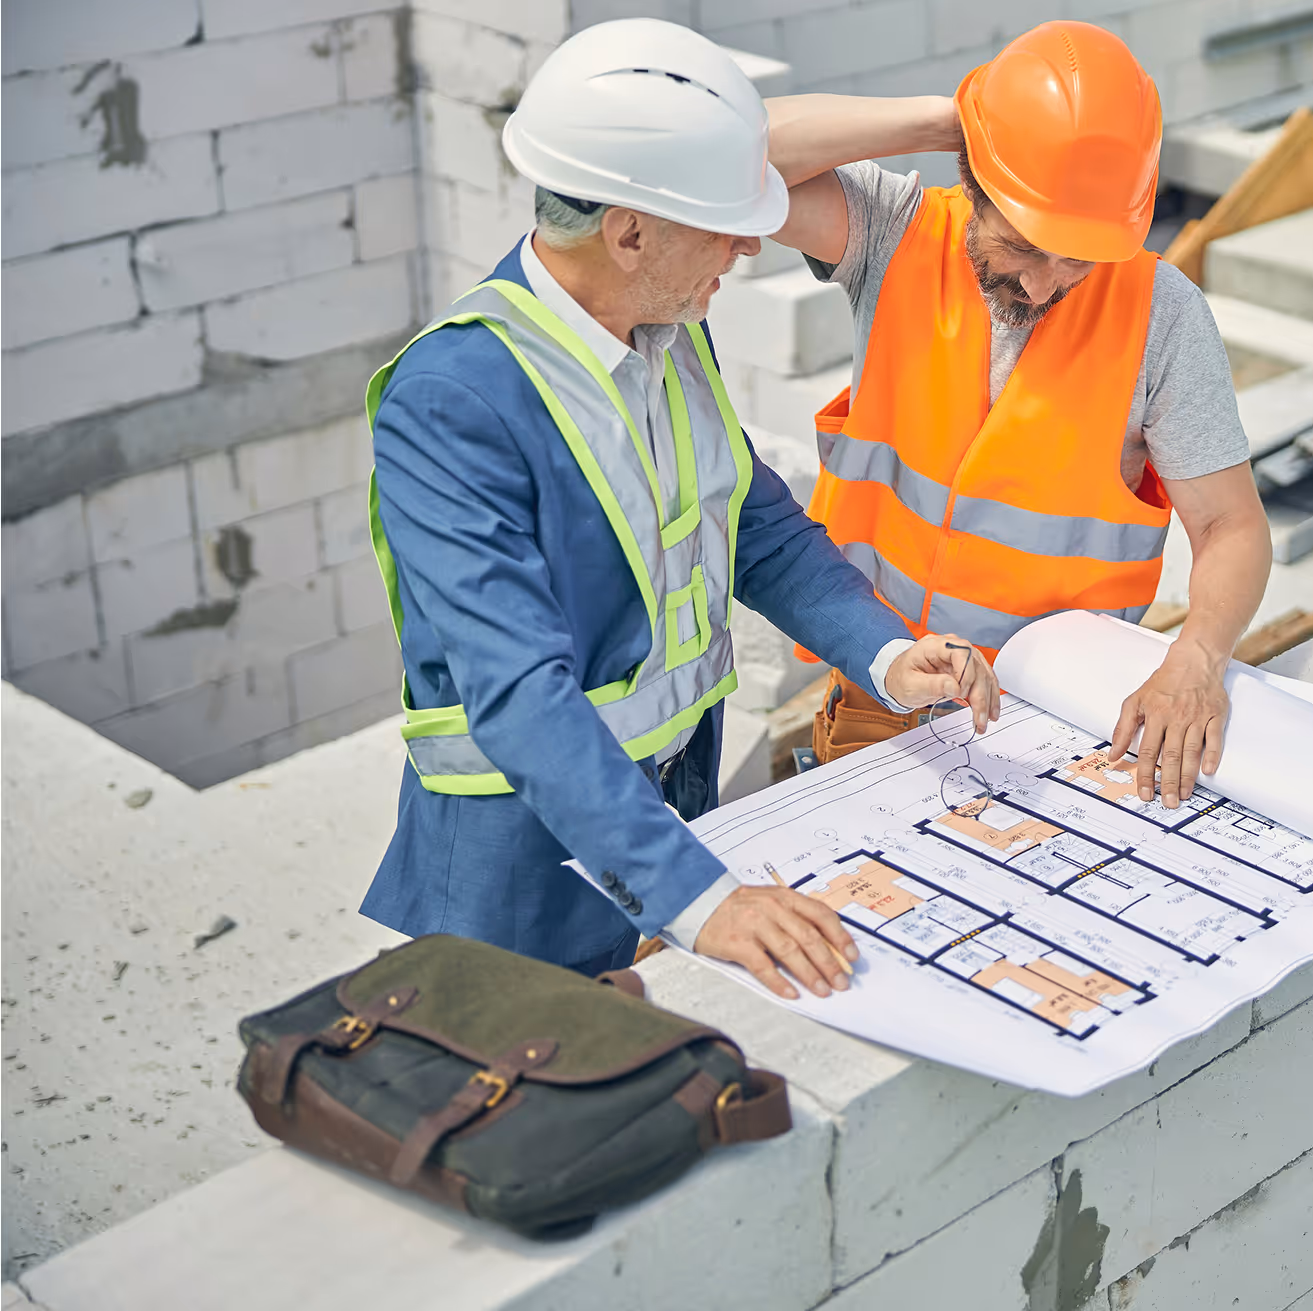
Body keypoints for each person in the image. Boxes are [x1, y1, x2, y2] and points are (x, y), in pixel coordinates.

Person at [357, 20, 999, 996]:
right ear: (629, 231)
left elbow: (752, 523)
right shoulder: (453, 402)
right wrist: (702, 898)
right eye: (724, 223)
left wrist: (883, 655)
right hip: (521, 874)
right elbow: (518, 692)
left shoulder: (663, 326)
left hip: (676, 808)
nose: (748, 245)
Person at [766, 21, 1272, 809]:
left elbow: (1231, 528)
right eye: (1023, 246)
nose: (1043, 285)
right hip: (884, 697)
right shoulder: (891, 234)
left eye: (1076, 259)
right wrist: (954, 121)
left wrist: (1196, 660)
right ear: (973, 180)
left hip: (1060, 731)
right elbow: (727, 158)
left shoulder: (1163, 317)